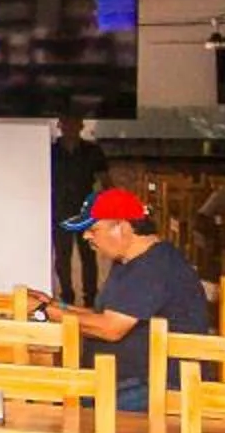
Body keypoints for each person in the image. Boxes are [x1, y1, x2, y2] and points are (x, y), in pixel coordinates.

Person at [31, 186, 210, 412]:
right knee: (51, 396)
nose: (86, 236)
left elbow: (111, 328)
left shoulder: (153, 266)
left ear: (122, 227)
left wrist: (45, 312)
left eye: (92, 229)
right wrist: (56, 305)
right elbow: (106, 315)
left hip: (157, 386)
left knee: (49, 407)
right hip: (130, 380)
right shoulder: (130, 260)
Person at [51, 115, 110, 301]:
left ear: (81, 125)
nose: (70, 127)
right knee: (62, 255)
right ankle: (66, 294)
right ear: (60, 125)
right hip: (59, 207)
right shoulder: (51, 151)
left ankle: (91, 296)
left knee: (89, 255)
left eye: (74, 123)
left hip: (86, 208)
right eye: (66, 122)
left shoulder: (92, 150)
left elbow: (105, 179)